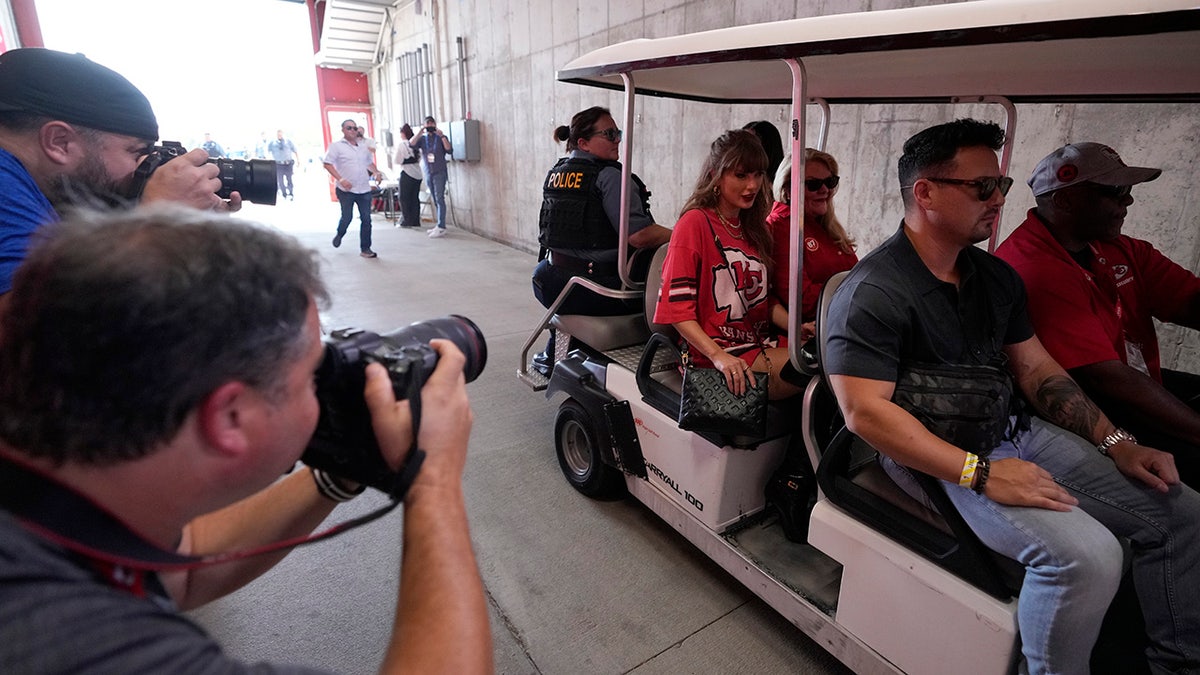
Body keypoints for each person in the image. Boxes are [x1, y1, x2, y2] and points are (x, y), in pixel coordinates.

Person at [0, 204, 492, 673]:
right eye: (308, 379)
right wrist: (432, 483)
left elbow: (182, 566)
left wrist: (339, 474)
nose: (320, 392)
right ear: (231, 417)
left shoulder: (53, 503)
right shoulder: (77, 643)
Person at [823, 118, 1200, 674]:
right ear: (924, 192)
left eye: (1000, 186)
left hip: (1012, 430)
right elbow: (865, 413)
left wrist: (1117, 442)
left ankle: (1178, 663)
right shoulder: (873, 293)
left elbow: (1035, 368)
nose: (999, 200)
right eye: (982, 188)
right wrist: (981, 472)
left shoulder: (994, 278)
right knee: (1089, 559)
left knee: (1182, 510)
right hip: (933, 452)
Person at [996, 142, 1200, 487]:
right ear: (1064, 201)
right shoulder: (1032, 268)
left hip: (1132, 382)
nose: (1128, 201)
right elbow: (1105, 379)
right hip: (1091, 415)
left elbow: (1189, 300)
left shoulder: (1115, 246)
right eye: (1116, 192)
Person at [0, 47, 241, 296]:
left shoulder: (38, 188)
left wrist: (181, 227)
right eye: (137, 152)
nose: (143, 166)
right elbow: (23, 326)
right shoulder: (4, 185)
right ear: (59, 142)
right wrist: (157, 222)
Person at [654, 129, 802, 401]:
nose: (753, 185)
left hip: (756, 344)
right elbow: (676, 310)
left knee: (834, 358)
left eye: (758, 174)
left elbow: (763, 303)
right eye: (741, 175)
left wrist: (797, 326)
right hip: (715, 354)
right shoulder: (695, 223)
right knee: (820, 371)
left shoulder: (753, 229)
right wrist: (719, 357)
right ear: (715, 176)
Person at [530, 106, 672, 374]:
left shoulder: (558, 171)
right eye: (609, 134)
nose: (617, 139)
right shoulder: (610, 177)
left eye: (617, 133)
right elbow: (640, 236)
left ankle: (557, 349)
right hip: (598, 291)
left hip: (548, 280)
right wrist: (683, 232)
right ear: (583, 142)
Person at [767, 148, 858, 339]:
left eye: (830, 182)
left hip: (841, 324)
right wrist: (855, 290)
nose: (825, 190)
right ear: (788, 190)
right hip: (810, 337)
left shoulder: (826, 226)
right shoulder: (781, 227)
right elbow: (802, 299)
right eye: (813, 184)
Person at [323, 119, 380, 259]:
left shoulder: (362, 147)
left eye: (355, 128)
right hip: (346, 190)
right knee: (347, 217)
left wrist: (376, 172)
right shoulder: (336, 146)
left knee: (366, 219)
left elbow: (368, 163)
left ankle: (365, 248)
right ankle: (340, 233)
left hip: (364, 188)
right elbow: (327, 164)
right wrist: (340, 179)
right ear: (343, 129)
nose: (353, 131)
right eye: (349, 128)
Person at [410, 115, 452, 238]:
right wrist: (419, 132)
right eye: (427, 124)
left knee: (439, 198)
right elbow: (411, 144)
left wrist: (442, 136)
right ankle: (439, 224)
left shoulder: (440, 138)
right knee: (434, 198)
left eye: (431, 124)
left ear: (435, 124)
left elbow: (449, 149)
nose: (429, 127)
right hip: (428, 171)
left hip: (439, 171)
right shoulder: (423, 139)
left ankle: (442, 226)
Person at [394, 123, 424, 228]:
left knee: (404, 197)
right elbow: (420, 157)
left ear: (403, 133)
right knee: (414, 198)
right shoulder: (417, 143)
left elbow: (397, 160)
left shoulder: (402, 144)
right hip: (418, 173)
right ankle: (416, 220)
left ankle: (407, 220)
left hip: (407, 172)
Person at [267, 128, 299, 200]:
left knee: (289, 179)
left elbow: (295, 151)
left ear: (283, 134)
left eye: (280, 133)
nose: (279, 135)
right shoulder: (272, 143)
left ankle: (291, 193)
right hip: (278, 165)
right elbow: (268, 152)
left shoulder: (288, 142)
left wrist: (298, 161)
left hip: (288, 164)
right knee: (280, 180)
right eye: (278, 134)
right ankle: (284, 194)